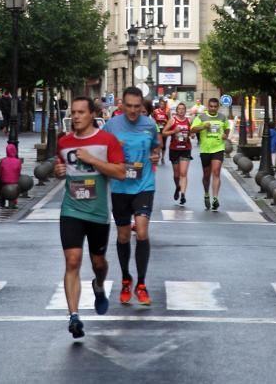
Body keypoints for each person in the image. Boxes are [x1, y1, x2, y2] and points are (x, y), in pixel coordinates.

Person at [55, 96, 125, 339]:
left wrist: (94, 160)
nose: (75, 116)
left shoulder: (107, 140)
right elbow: (61, 167)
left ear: (92, 114)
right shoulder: (64, 142)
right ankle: (74, 316)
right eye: (73, 112)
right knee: (72, 260)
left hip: (99, 212)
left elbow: (120, 172)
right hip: (71, 209)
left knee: (98, 263)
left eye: (81, 112)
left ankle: (98, 285)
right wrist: (58, 171)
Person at [105, 86, 161, 307]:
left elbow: (155, 148)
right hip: (120, 187)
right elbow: (102, 152)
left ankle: (142, 284)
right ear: (122, 105)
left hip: (144, 184)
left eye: (137, 107)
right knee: (123, 237)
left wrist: (155, 156)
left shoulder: (150, 125)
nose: (133, 111)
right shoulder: (112, 126)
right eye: (129, 106)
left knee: (143, 231)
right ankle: (126, 278)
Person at [194, 98, 230, 212]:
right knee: (206, 175)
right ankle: (206, 194)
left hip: (218, 148)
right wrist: (203, 126)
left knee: (216, 172)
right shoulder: (201, 117)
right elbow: (193, 129)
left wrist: (225, 135)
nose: (213, 108)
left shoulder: (222, 117)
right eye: (211, 106)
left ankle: (215, 198)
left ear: (218, 107)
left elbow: (227, 128)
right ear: (208, 106)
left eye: (215, 107)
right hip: (205, 149)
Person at [162, 102, 192, 205]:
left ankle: (183, 195)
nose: (181, 111)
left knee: (183, 173)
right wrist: (174, 131)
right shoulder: (172, 120)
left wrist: (191, 135)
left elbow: (191, 132)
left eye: (183, 109)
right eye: (179, 109)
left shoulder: (189, 120)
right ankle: (177, 187)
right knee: (176, 175)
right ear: (177, 110)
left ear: (185, 110)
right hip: (174, 149)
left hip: (185, 149)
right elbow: (164, 133)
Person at [0, 143, 22, 209]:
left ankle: (2, 202)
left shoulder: (3, 160)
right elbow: (19, 171)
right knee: (17, 187)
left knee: (3, 188)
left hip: (5, 180)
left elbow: (1, 170)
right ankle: (14, 202)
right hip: (14, 180)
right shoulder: (18, 161)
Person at [152, 98, 169, 163]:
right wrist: (156, 122)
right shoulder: (155, 111)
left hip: (164, 129)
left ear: (165, 105)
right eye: (161, 104)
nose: (162, 105)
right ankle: (158, 155)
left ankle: (163, 157)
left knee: (164, 144)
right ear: (159, 104)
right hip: (157, 129)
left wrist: (165, 121)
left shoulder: (166, 112)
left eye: (163, 104)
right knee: (158, 143)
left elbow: (169, 121)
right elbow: (152, 118)